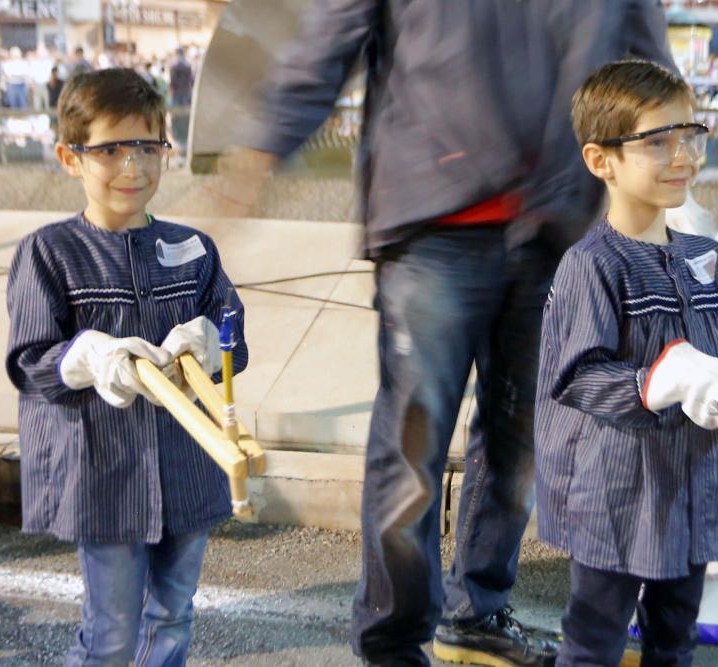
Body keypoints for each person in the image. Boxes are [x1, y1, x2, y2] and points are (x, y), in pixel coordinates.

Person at [224, 1, 676, 664]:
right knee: (412, 444)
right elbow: (332, 35)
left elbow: (649, 74)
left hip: (559, 220)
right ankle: (393, 641)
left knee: (522, 439)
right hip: (433, 217)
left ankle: (479, 611)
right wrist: (263, 145)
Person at [534, 59, 718, 667]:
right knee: (595, 635)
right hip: (617, 492)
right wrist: (658, 381)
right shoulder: (592, 264)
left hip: (696, 482)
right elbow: (574, 376)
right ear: (602, 160)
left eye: (689, 136)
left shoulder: (710, 257)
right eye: (657, 142)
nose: (682, 156)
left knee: (677, 631)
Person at [5, 68, 248, 666]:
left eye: (147, 147)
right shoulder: (48, 252)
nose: (132, 167)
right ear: (70, 157)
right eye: (110, 150)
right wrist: (89, 357)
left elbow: (234, 341)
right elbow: (30, 361)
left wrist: (210, 340)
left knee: (173, 615)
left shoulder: (194, 248)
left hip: (186, 467)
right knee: (111, 633)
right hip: (103, 474)